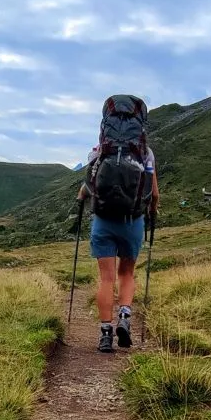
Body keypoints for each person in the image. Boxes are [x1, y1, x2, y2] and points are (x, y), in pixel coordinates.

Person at [78, 97, 159, 352]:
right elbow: (154, 194)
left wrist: (81, 199)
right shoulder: (145, 153)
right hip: (132, 221)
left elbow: (87, 187)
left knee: (106, 278)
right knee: (127, 273)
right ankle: (124, 315)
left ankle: (105, 334)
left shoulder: (99, 151)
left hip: (103, 221)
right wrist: (152, 212)